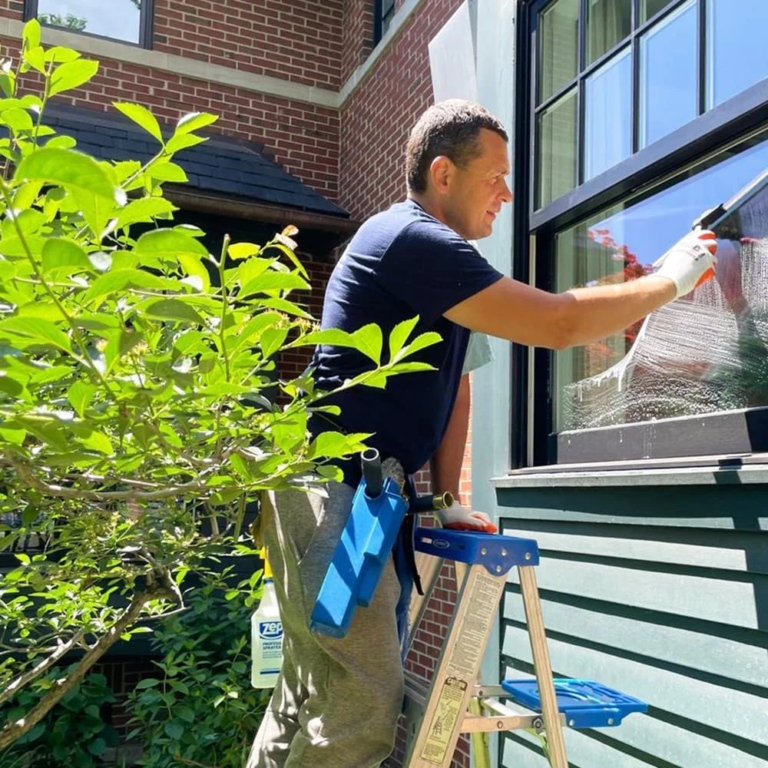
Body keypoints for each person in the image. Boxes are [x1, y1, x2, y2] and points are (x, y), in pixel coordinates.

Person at [247, 99, 719, 768]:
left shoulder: (439, 265)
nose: (507, 193)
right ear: (444, 173)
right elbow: (557, 325)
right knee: (359, 708)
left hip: (361, 501)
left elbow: (456, 382)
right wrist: (670, 280)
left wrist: (444, 499)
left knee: (311, 691)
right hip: (335, 500)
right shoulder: (410, 239)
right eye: (494, 176)